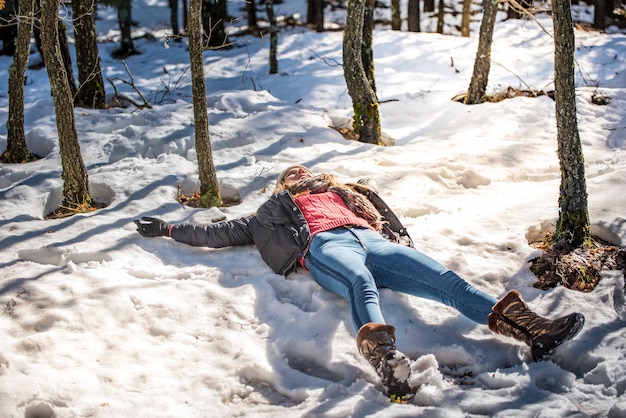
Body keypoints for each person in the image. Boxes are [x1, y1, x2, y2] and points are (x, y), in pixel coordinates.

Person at [134, 165, 585, 402]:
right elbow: (219, 232)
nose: (297, 174)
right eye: (289, 174)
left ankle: (533, 331)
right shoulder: (272, 211)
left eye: (302, 170)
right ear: (283, 185)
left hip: (370, 238)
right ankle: (387, 361)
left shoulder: (349, 194)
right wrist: (170, 230)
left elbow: (388, 218)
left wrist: (394, 235)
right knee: (359, 282)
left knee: (446, 280)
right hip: (325, 246)